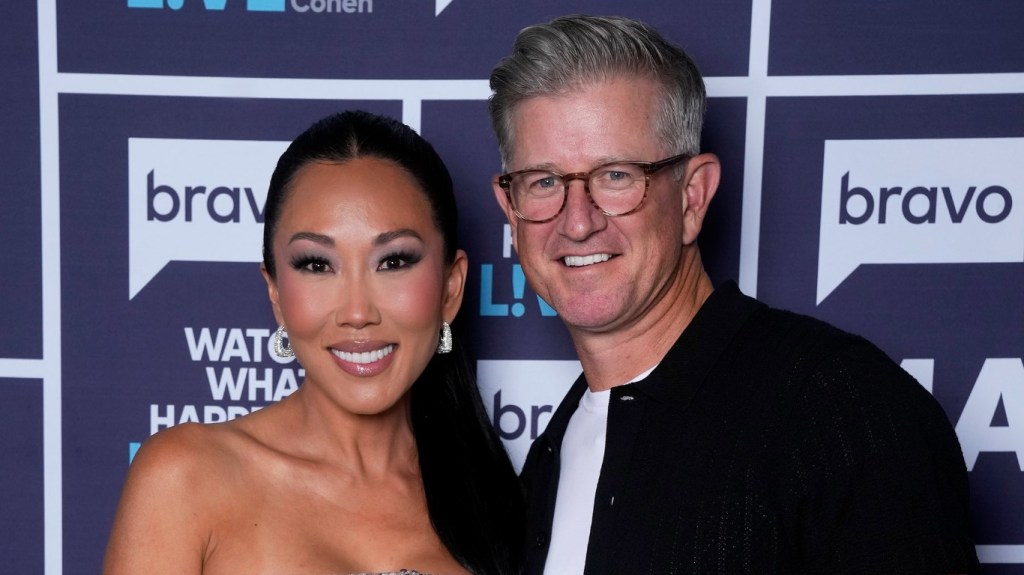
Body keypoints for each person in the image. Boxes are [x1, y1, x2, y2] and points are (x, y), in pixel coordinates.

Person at [487, 14, 979, 574]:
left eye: (616, 176)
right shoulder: (555, 449)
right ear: (511, 210)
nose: (577, 223)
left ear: (692, 198)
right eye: (544, 182)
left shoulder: (839, 408)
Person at [104, 111, 524, 575]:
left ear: (451, 288)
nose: (358, 312)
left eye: (394, 261)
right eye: (317, 265)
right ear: (276, 294)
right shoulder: (184, 478)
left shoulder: (502, 504)